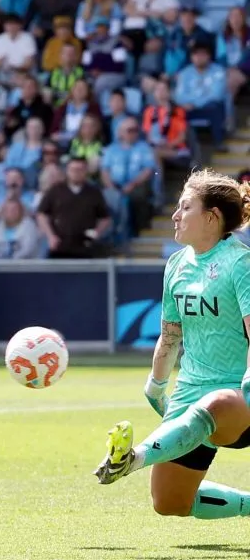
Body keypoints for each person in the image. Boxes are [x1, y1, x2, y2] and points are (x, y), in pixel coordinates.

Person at [94, 169, 250, 523]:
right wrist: (157, 382)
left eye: (185, 207)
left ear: (211, 217)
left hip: (239, 396)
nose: (176, 216)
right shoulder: (177, 264)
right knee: (170, 502)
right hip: (191, 391)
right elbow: (170, 334)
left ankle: (132, 458)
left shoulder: (241, 263)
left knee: (216, 404)